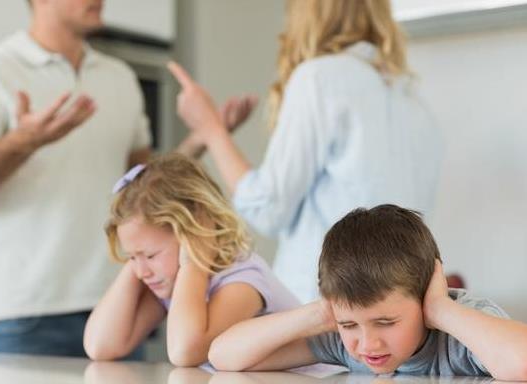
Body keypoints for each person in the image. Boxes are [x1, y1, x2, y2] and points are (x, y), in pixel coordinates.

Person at [0, 0, 253, 357]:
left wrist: (206, 135)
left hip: (117, 307)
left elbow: (143, 189)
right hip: (24, 317)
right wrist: (22, 142)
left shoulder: (119, 78)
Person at [168, 0, 442, 303]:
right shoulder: (410, 96)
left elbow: (268, 207)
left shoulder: (319, 78)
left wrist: (211, 129)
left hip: (325, 306)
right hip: (396, 309)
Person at [208, 205, 527, 381]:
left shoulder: (460, 331)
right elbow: (224, 357)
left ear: (424, 295)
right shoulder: (342, 338)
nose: (368, 344)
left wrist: (442, 310)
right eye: (350, 325)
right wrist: (320, 313)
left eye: (386, 322)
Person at [83, 154, 300, 366]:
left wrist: (192, 263)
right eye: (131, 258)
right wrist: (139, 255)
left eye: (151, 255)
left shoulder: (243, 280)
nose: (141, 272)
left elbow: (185, 351)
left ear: (196, 231)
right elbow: (100, 346)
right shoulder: (171, 280)